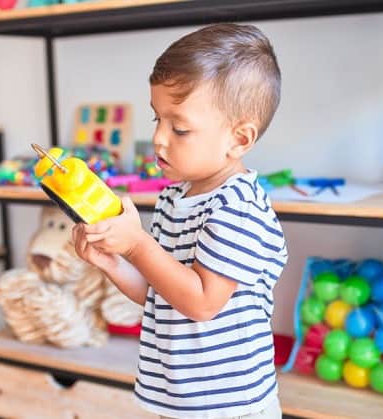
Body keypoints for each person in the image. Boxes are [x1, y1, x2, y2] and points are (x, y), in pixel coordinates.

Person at [72, 23, 287, 419]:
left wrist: (138, 244)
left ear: (239, 139)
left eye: (180, 128)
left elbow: (202, 302)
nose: (158, 138)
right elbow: (161, 294)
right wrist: (113, 262)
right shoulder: (175, 197)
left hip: (230, 407)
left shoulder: (238, 208)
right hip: (178, 400)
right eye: (157, 119)